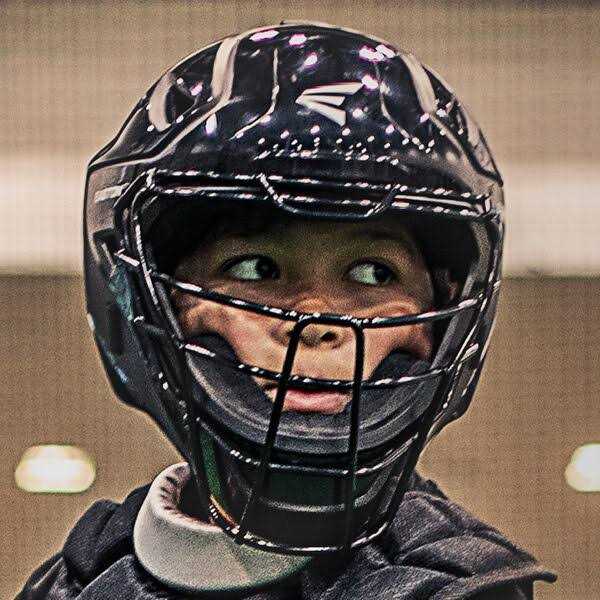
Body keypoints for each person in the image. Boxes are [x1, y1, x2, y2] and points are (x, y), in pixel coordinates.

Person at [17, 21, 556, 599]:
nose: (316, 320)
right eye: (255, 269)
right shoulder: (77, 582)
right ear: (158, 298)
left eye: (373, 273)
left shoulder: (461, 587)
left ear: (443, 309)